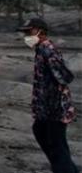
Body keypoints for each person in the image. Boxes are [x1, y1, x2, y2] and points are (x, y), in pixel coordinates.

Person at [18, 18, 77, 173]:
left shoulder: (47, 50)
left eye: (28, 31)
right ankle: (68, 168)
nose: (26, 35)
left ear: (40, 31)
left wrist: (53, 103)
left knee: (56, 144)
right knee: (41, 132)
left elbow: (65, 76)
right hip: (45, 109)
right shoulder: (40, 50)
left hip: (55, 109)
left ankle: (65, 169)